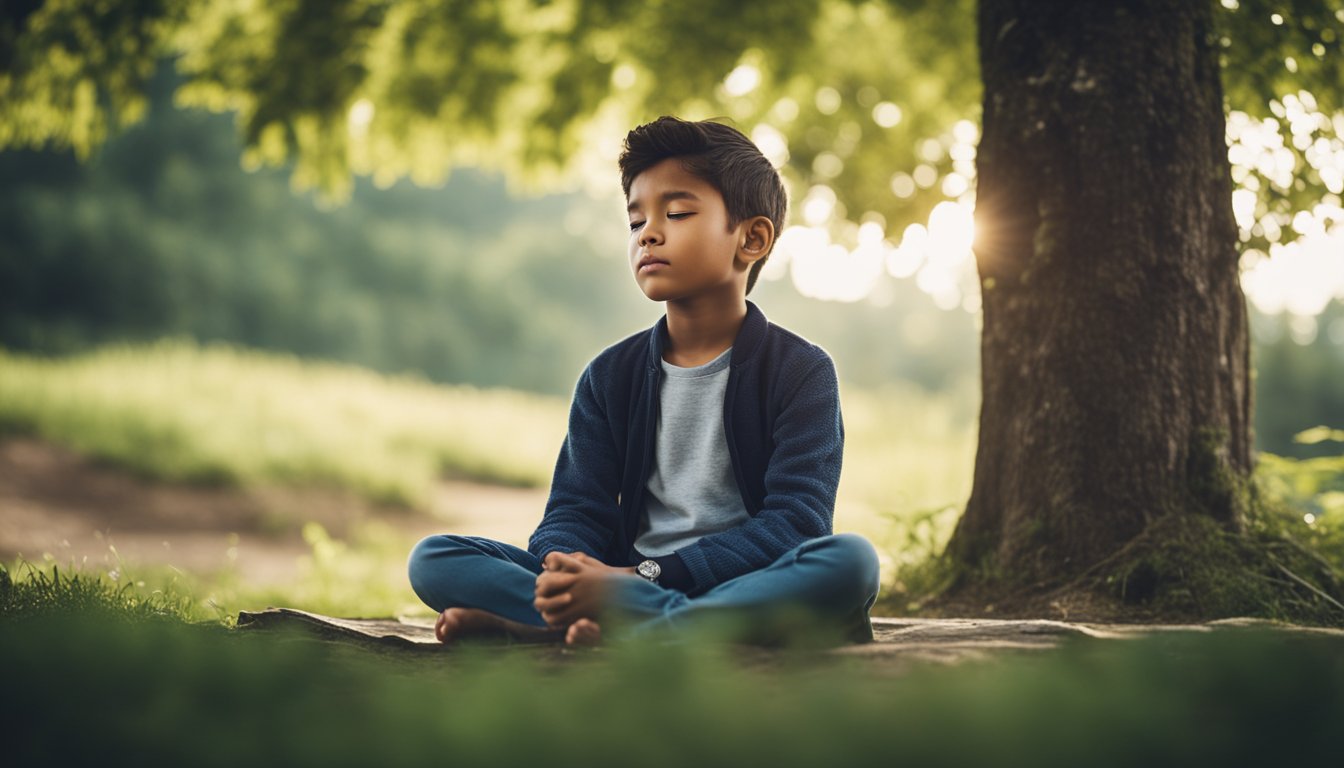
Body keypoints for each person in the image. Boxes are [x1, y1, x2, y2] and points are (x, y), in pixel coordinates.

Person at [407, 116, 880, 646]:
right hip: (619, 580)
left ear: (751, 238)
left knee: (851, 561)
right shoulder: (609, 376)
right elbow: (575, 508)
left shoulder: (800, 371)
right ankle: (647, 625)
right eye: (635, 223)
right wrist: (566, 569)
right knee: (435, 558)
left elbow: (796, 524)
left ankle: (597, 625)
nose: (648, 233)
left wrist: (642, 581)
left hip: (739, 582)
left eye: (676, 212)